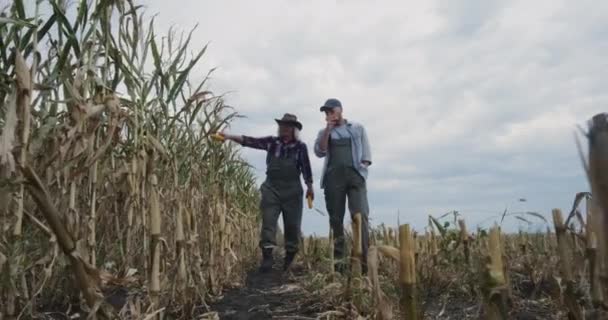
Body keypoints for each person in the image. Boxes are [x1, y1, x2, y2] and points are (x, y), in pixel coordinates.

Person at [217, 113, 314, 273]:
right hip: (272, 188)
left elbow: (306, 168)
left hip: (293, 191)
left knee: (292, 226)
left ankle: (289, 259)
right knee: (268, 222)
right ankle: (267, 257)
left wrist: (309, 187)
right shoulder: (272, 142)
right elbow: (250, 141)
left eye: (287, 126)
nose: (283, 128)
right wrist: (228, 136)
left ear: (293, 129)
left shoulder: (300, 147)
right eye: (281, 125)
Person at [314, 98, 372, 274]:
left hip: (355, 177)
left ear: (340, 110)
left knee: (360, 216)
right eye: (326, 113)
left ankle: (364, 263)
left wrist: (363, 167)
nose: (328, 115)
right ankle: (340, 264)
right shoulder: (324, 132)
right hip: (333, 179)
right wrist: (328, 130)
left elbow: (367, 153)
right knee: (336, 220)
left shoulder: (357, 128)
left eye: (331, 111)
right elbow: (320, 151)